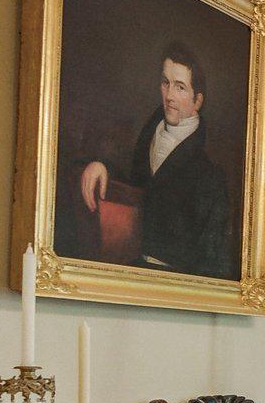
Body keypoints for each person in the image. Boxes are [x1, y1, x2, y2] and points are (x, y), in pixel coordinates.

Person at [78, 42, 235, 278]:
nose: (169, 96)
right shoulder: (147, 138)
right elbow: (133, 181)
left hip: (173, 284)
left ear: (197, 101)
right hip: (131, 268)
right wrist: (101, 165)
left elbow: (213, 264)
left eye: (180, 87)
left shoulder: (210, 177)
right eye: (165, 83)